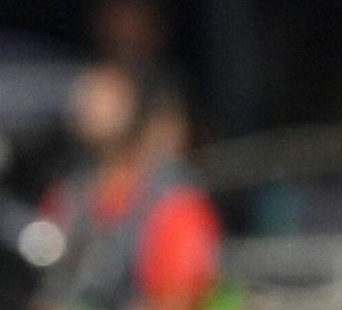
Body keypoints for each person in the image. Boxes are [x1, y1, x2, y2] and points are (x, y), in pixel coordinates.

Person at [36, 63, 221, 310]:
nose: (89, 105)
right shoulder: (68, 194)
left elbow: (178, 299)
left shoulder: (174, 202)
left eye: (108, 97)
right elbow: (48, 288)